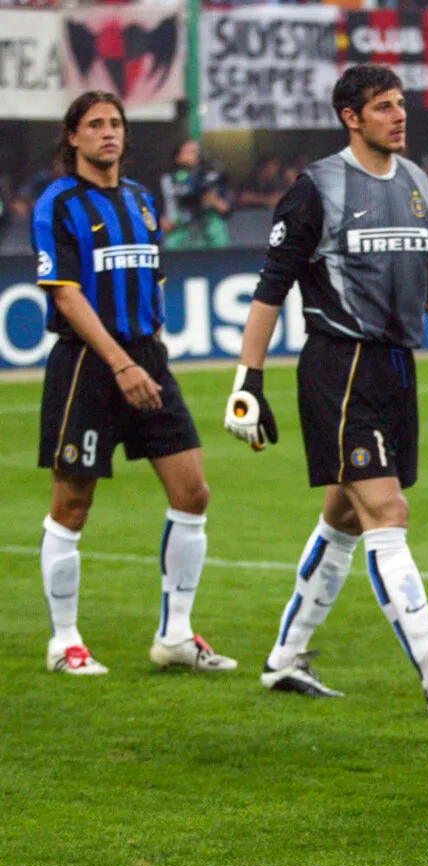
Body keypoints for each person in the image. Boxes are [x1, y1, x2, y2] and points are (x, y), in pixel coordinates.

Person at [226, 65, 428, 712]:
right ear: (351, 117)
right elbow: (271, 289)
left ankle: (283, 657)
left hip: (398, 367)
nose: (399, 116)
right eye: (384, 107)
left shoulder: (418, 183)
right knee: (388, 512)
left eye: (401, 104)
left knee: (345, 515)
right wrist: (248, 380)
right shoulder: (317, 188)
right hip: (339, 366)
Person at [34, 91, 234, 675]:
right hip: (88, 364)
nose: (108, 133)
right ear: (73, 137)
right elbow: (66, 294)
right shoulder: (58, 204)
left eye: (115, 123)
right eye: (95, 124)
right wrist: (120, 363)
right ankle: (64, 641)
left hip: (148, 357)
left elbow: (154, 276)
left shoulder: (144, 201)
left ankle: (175, 635)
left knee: (193, 492)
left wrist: (146, 353)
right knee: (73, 503)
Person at [160, 139, 230, 250]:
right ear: (178, 157)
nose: (195, 155)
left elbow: (226, 208)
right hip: (181, 230)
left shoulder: (212, 176)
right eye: (189, 152)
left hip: (209, 230)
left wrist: (212, 200)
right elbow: (166, 211)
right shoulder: (170, 179)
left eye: (196, 152)